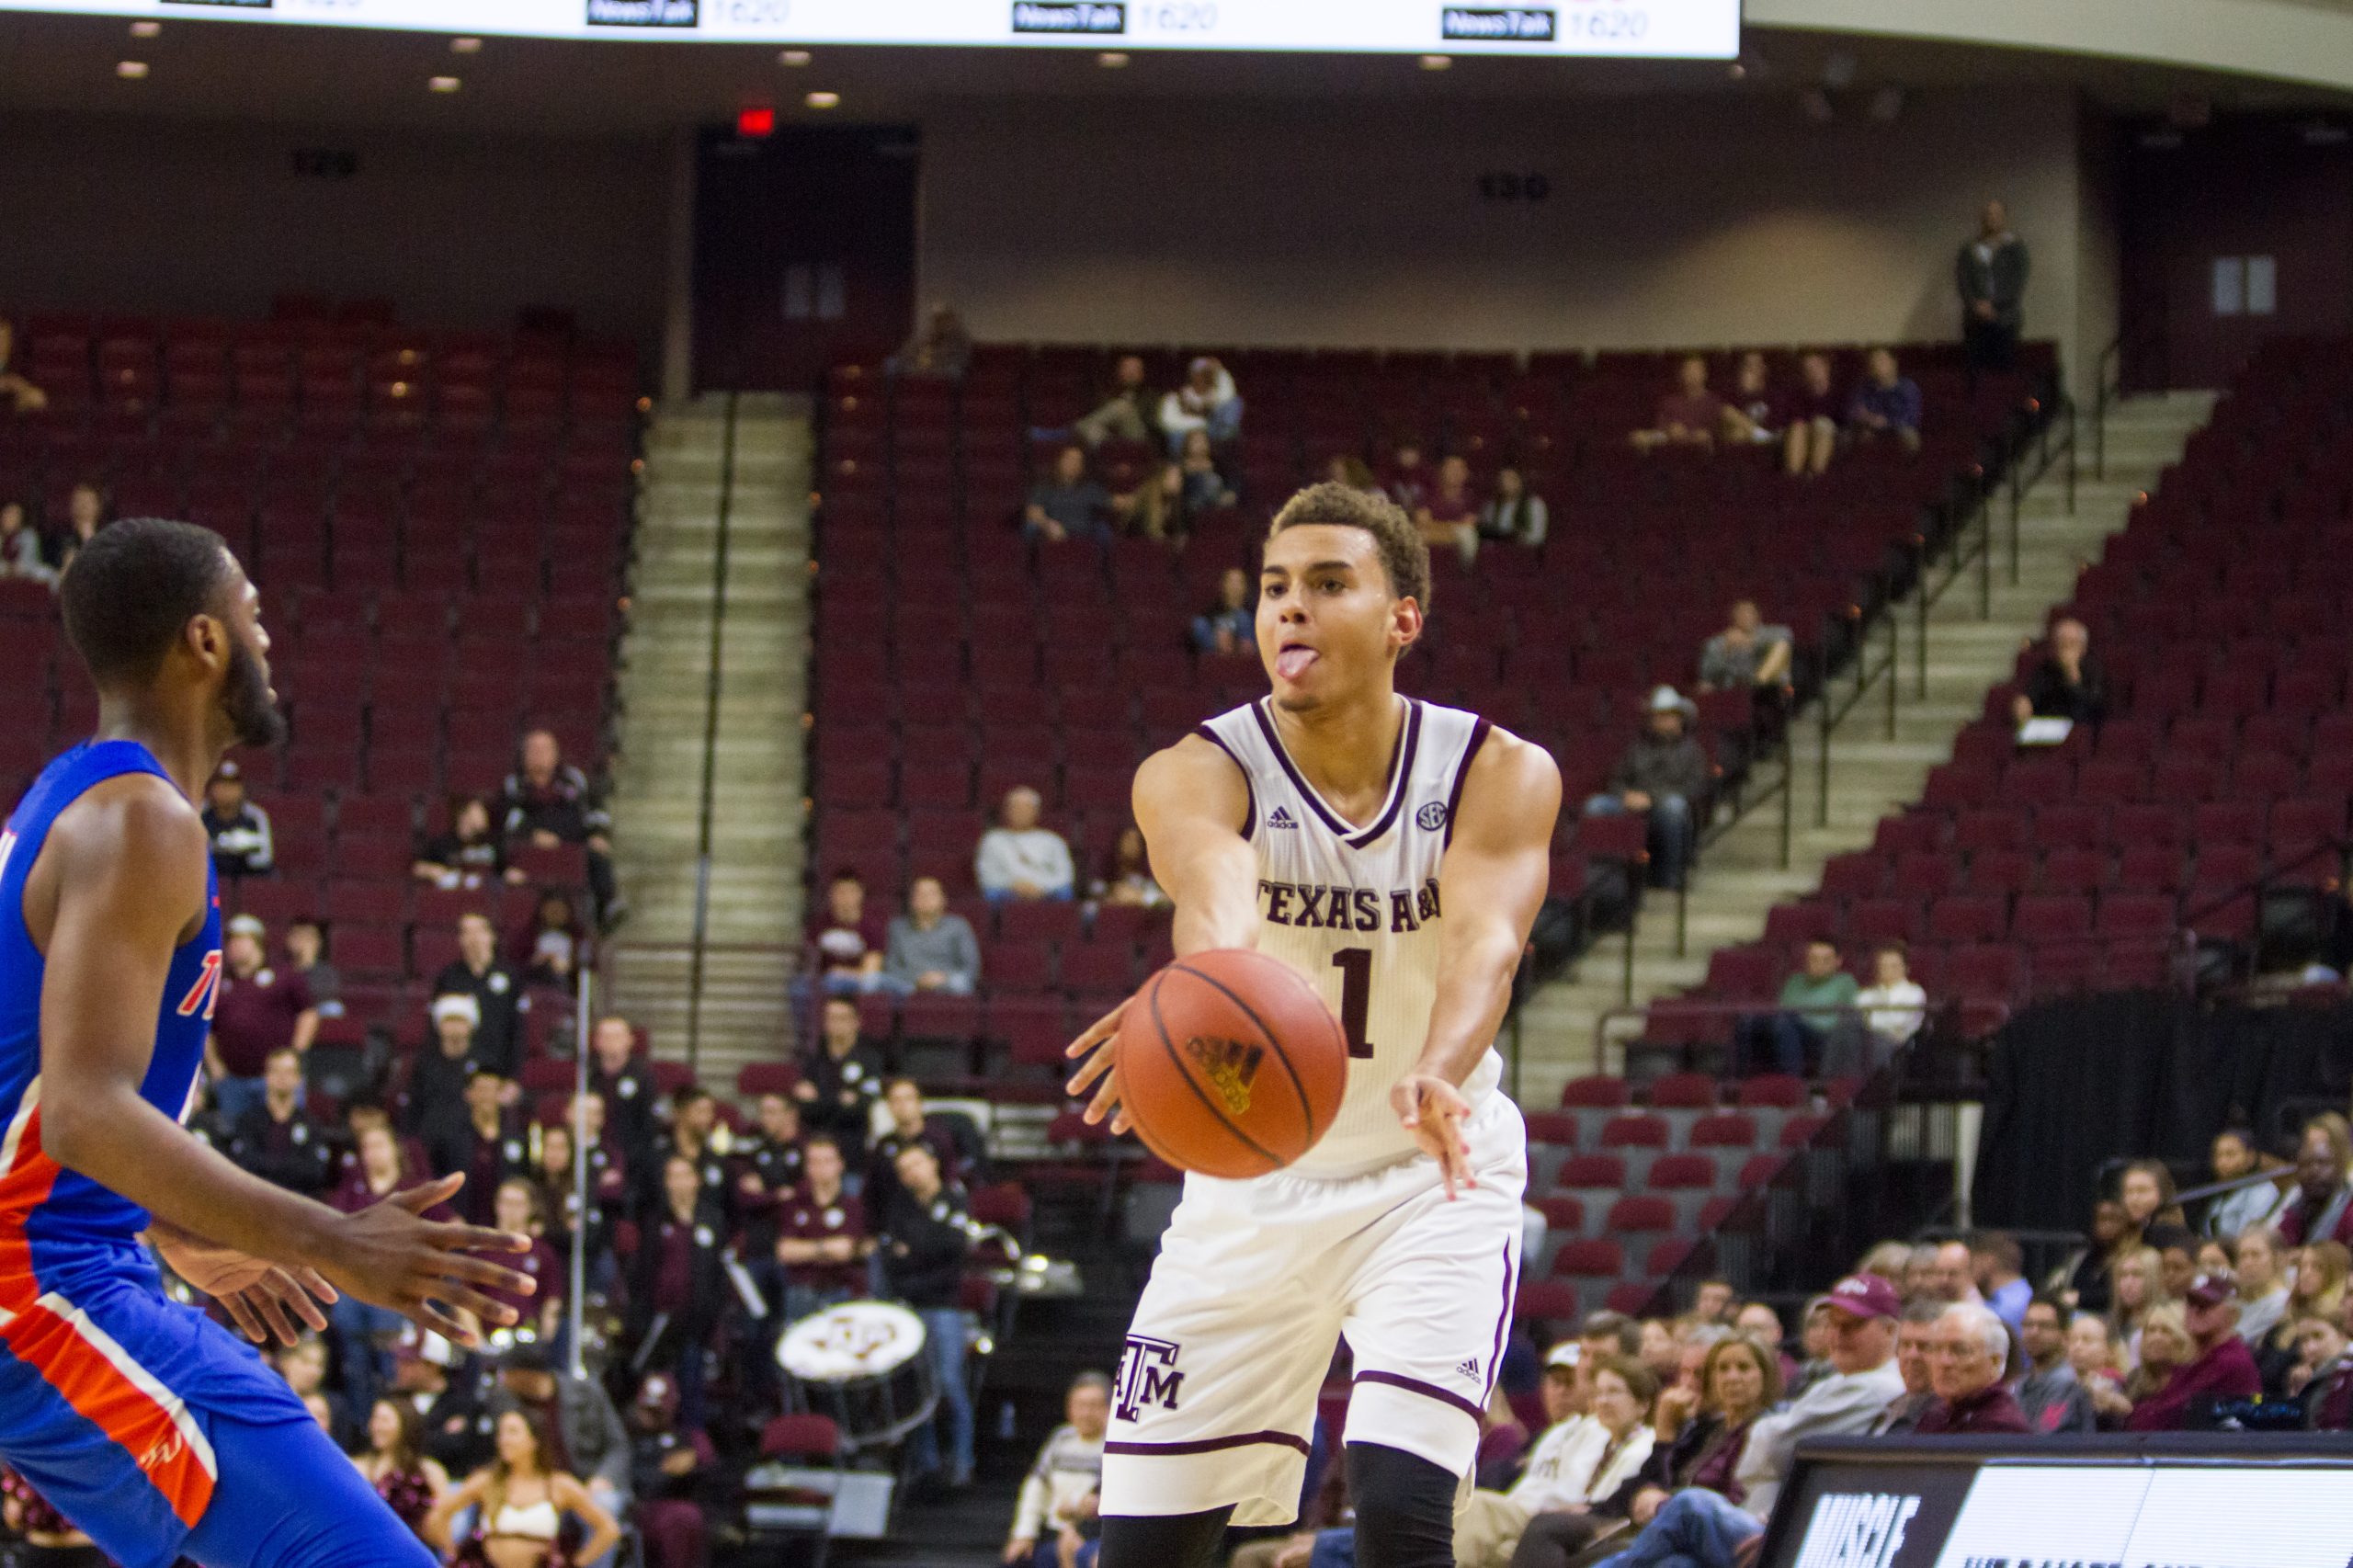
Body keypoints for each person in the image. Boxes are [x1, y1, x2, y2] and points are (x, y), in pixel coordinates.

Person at [0, 516, 537, 1568]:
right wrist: (334, 1240)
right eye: (251, 611)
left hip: (76, 1265)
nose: (268, 638)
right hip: (45, 1289)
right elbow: (81, 1109)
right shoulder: (143, 822)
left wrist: (169, 1216)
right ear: (205, 641)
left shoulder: (65, 801)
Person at [1063, 480, 1562, 1568]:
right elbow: (1214, 882)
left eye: (1329, 584)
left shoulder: (1499, 770)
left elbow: (1487, 941)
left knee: (1395, 1511)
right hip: (1249, 1184)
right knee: (1142, 1548)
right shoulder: (1195, 768)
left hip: (1430, 1173)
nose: (1289, 607)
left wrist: (1437, 1067)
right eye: (1275, 587)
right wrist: (1213, 991)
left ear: (1402, 619)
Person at [1586, 1276, 1904, 1568]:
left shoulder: (1877, 1385)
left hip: (1794, 1535)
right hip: (1768, 1522)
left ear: (1890, 1331)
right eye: (1834, 1325)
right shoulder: (1836, 1382)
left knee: (1690, 1504)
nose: (1837, 1335)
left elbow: (1773, 1446)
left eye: (1853, 1326)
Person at [1453, 1357, 1655, 1568]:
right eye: (1598, 1393)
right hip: (1560, 1515)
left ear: (1642, 1404)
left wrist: (1582, 1508)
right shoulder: (1602, 1440)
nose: (1603, 1401)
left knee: (1478, 1507)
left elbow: (1616, 1503)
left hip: (1591, 1521)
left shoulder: (1645, 1446)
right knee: (1491, 1538)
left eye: (1613, 1392)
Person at [881, 1143, 978, 1491]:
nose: (911, 1174)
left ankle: (963, 1461)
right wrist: (922, 1251)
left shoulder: (955, 1199)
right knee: (916, 1388)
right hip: (910, 1308)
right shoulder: (900, 1207)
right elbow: (892, 1261)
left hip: (944, 1306)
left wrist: (914, 1252)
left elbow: (955, 1252)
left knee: (949, 1383)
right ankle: (928, 1462)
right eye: (903, 1169)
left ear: (933, 1163)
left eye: (916, 1164)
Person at [424, 1406, 621, 1568]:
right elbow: (436, 1517)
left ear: (534, 1440)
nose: (504, 1440)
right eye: (501, 1433)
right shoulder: (486, 1481)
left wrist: (578, 1562)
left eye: (513, 1432)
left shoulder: (559, 1485)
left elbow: (609, 1529)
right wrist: (453, 1551)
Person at [1582, 687, 1709, 892]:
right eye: (1658, 716)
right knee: (1595, 805)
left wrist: (1652, 798)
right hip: (1633, 802)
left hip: (1664, 804)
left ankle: (1669, 877)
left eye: (1668, 716)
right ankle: (1604, 878)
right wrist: (1625, 795)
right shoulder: (1637, 748)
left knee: (1674, 807)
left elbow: (1694, 788)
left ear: (1679, 719)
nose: (1662, 721)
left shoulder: (1692, 752)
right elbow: (1616, 779)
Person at [495, 729, 620, 931]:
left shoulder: (574, 779)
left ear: (556, 754)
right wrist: (531, 834)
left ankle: (607, 908)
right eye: (533, 750)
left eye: (544, 749)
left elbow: (595, 810)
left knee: (597, 857)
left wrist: (598, 833)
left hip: (572, 846)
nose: (539, 755)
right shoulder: (514, 785)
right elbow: (506, 822)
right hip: (531, 852)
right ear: (524, 755)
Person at [206, 911, 319, 1123]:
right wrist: (214, 1065)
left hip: (278, 1079)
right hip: (233, 1080)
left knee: (283, 1130)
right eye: (231, 940)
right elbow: (206, 1029)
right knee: (235, 1137)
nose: (234, 945)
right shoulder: (220, 983)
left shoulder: (283, 975)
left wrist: (295, 1055)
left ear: (257, 941)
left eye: (241, 939)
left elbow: (308, 1014)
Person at [2127, 1272, 2262, 1429]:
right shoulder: (2193, 1359)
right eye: (2191, 1302)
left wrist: (2125, 1411)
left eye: (2207, 1304)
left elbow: (2169, 1416)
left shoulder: (2231, 1360)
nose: (2196, 1310)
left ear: (2232, 1315)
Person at [1006, 1372, 1111, 1568]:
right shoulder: (1061, 1438)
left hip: (1095, 1534)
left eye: (1094, 1406)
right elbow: (1037, 1487)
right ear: (1070, 1408)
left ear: (1108, 1408)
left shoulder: (1114, 1445)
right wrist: (1024, 1534)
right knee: (1017, 1559)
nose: (1086, 1413)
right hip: (1054, 1532)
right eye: (1080, 1405)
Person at [773, 1134, 869, 1324]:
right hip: (802, 1292)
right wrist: (825, 1249)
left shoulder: (853, 1205)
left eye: (827, 1161)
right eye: (814, 1162)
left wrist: (805, 1250)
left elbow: (847, 1250)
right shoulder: (794, 1204)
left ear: (840, 1164)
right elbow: (784, 1251)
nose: (821, 1168)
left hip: (842, 1291)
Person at [624, 1371, 715, 1568]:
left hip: (681, 1504)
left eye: (658, 1411)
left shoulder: (685, 1437)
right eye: (647, 1409)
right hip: (639, 1505)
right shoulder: (626, 1435)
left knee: (688, 1516)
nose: (650, 1416)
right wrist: (665, 1472)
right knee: (681, 1518)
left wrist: (697, 1459)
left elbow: (708, 1466)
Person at [1739, 939, 1859, 1079]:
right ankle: (1738, 1084)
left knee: (1783, 1022)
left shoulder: (1845, 982)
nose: (1818, 964)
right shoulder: (1794, 981)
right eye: (1813, 959)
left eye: (1825, 960)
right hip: (1789, 1027)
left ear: (1838, 961)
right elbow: (1782, 1008)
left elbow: (1848, 1017)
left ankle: (1791, 1084)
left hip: (1823, 1035)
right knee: (1747, 1021)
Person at [229, 1047, 337, 1199]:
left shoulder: (311, 1124)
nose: (282, 1077)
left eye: (288, 1072)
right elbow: (244, 1165)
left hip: (298, 1204)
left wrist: (268, 1167)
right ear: (266, 1076)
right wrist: (290, 1167)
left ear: (298, 1078)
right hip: (254, 1201)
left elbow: (315, 1172)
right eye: (276, 1071)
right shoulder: (248, 1121)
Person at [432, 912, 529, 1079]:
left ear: (491, 936)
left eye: (479, 931)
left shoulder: (510, 977)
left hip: (497, 1070)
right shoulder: (449, 977)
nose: (473, 938)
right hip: (457, 1071)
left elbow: (518, 1030)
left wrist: (513, 1078)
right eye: (466, 932)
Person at [1915, 1302, 2029, 1434]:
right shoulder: (1935, 1417)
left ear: (1995, 1362)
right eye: (1936, 1348)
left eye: (1960, 1351)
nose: (1944, 1362)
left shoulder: (2001, 1426)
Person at [795, 994, 891, 1149]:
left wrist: (821, 1099)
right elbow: (806, 1107)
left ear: (856, 1022)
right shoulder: (815, 1060)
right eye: (830, 1018)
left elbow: (864, 1106)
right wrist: (841, 1100)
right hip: (818, 1142)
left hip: (854, 1143)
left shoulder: (870, 1059)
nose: (835, 1023)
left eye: (841, 1018)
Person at [353, 1397, 451, 1540]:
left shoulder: (430, 1471)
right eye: (375, 1419)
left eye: (385, 1420)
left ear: (406, 1424)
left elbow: (441, 1525)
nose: (377, 1426)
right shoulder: (356, 1467)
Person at [1956, 199, 2029, 374]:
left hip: (2005, 320)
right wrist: (1976, 305)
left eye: (1996, 215)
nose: (1992, 218)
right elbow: (1963, 281)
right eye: (1988, 215)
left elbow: (2017, 283)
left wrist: (1993, 304)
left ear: (2004, 218)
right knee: (1976, 374)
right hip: (1976, 321)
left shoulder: (2016, 248)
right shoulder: (1969, 249)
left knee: (2003, 375)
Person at [884, 874, 983, 997]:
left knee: (961, 983)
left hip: (947, 981)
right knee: (879, 981)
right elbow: (891, 965)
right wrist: (918, 979)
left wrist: (943, 977)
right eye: (920, 894)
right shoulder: (897, 928)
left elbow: (971, 966)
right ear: (912, 900)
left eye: (931, 894)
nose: (925, 898)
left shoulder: (958, 926)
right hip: (909, 983)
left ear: (943, 899)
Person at [978, 786, 1077, 903]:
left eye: (1025, 808)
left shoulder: (1052, 840)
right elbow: (987, 875)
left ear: (1036, 811)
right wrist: (1014, 885)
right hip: (1008, 891)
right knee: (992, 894)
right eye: (1015, 808)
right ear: (1006, 811)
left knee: (1064, 892)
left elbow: (1065, 876)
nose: (1020, 813)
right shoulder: (992, 840)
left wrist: (1041, 888)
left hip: (1045, 891)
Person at [2008, 618, 2109, 733]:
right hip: (2047, 730)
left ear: (2082, 647)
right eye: (2062, 643)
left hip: (2080, 731)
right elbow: (2032, 696)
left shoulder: (2093, 670)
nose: (2066, 649)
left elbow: (2093, 709)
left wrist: (2072, 674)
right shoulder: (2045, 669)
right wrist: (2024, 704)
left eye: (2071, 644)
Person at [2016, 1294, 2097, 1434]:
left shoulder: (2069, 1384)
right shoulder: (2021, 1383)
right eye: (2028, 1325)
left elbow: (2044, 1438)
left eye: (2045, 1326)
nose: (2034, 1332)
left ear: (2065, 1337)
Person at [806, 868, 888, 994]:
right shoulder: (819, 925)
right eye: (840, 892)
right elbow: (810, 965)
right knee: (800, 986)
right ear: (831, 895)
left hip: (859, 984)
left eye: (851, 892)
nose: (846, 898)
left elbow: (871, 971)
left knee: (875, 982)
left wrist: (841, 973)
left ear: (860, 894)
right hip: (825, 983)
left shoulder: (872, 927)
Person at [2272, 1119, 2353, 1246]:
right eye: (2307, 1163)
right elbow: (2277, 1243)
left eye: (2322, 1162)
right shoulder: (2298, 1203)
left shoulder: (2348, 1206)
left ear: (2339, 1161)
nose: (2314, 1171)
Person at [413, 795, 523, 889]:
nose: (484, 816)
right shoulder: (443, 843)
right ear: (463, 815)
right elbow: (418, 867)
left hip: (484, 897)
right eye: (478, 811)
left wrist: (509, 875)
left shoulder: (491, 843)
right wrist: (432, 870)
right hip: (454, 897)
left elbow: (503, 870)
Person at [1871, 1303, 1943, 1434]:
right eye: (1905, 1344)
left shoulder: (1947, 1415)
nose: (1912, 1355)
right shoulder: (1890, 1406)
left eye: (1924, 1346)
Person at [1694, 602, 1791, 696]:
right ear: (1733, 618)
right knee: (1704, 688)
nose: (1746, 617)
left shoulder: (1771, 633)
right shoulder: (1719, 642)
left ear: (1757, 615)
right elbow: (1707, 674)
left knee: (1782, 647)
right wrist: (1726, 650)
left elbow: (1786, 636)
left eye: (1749, 612)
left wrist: (1752, 641)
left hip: (1770, 687)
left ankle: (1758, 685)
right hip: (1733, 688)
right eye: (1741, 613)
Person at [2204, 1127, 2284, 1241]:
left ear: (2250, 1157)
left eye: (2230, 1154)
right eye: (2218, 1156)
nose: (2222, 1162)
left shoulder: (2263, 1192)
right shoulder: (2217, 1200)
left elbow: (2251, 1238)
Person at [1630, 358, 1722, 452]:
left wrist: (1699, 435)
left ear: (1705, 374)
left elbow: (1720, 433)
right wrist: (1669, 431)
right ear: (1681, 374)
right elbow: (1660, 433)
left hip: (1704, 454)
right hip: (1670, 451)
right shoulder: (1669, 402)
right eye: (1688, 370)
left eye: (1696, 370)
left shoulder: (1714, 402)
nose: (1692, 374)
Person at [199, 759, 272, 879]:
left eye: (232, 785)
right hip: (208, 871)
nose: (227, 791)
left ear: (242, 789)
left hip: (245, 870)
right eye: (222, 785)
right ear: (212, 788)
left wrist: (240, 851)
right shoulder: (199, 813)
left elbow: (265, 857)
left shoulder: (256, 816)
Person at [1027, 446, 1113, 544]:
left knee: (1104, 530)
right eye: (1069, 459)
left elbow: (1112, 503)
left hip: (1084, 534)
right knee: (1031, 527)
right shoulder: (1045, 487)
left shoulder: (1091, 488)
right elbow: (1033, 511)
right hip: (1053, 535)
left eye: (1078, 461)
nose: (1073, 464)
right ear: (1059, 462)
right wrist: (1047, 525)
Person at [1157, 357, 1243, 453]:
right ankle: (1178, 464)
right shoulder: (1179, 396)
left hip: (1213, 433)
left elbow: (1229, 395)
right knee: (1175, 435)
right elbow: (1169, 422)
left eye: (1207, 374)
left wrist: (1220, 371)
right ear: (1192, 375)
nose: (1203, 378)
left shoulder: (1216, 395)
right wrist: (1200, 424)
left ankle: (1222, 456)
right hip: (1187, 432)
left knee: (1235, 402)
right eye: (1199, 374)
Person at [1074, 355, 1158, 449]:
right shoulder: (1107, 395)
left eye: (1135, 370)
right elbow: (1100, 418)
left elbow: (1153, 424)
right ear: (1119, 372)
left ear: (1142, 374)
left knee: (1122, 406)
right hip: (1111, 437)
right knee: (1092, 431)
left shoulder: (1150, 397)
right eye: (1127, 369)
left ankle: (1082, 427)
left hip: (1139, 438)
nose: (1131, 374)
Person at [1845, 349, 1921, 451]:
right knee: (1849, 435)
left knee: (1910, 436)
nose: (1877, 365)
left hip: (1899, 427)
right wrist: (1867, 418)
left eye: (1881, 360)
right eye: (1874, 361)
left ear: (1893, 363)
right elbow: (1852, 410)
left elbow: (1911, 417)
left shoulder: (1907, 387)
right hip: (1870, 427)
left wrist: (1887, 422)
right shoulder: (1865, 387)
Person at [2231, 1224, 2292, 1351]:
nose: (2247, 1263)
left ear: (2278, 1258)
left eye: (2256, 1255)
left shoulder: (2281, 1304)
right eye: (2242, 1256)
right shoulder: (2234, 1302)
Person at [1415, 455, 1480, 571]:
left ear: (1466, 474)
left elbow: (1468, 526)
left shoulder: (1471, 498)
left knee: (1468, 535)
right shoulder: (1428, 494)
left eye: (1459, 469)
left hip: (1445, 537)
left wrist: (1440, 529)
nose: (1454, 472)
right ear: (1442, 471)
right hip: (1435, 537)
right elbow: (1422, 522)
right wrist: (1451, 529)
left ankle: (1465, 574)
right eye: (1450, 468)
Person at [1781, 353, 1842, 478]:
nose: (1813, 372)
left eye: (1816, 366)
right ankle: (1793, 481)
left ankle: (1815, 479)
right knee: (1798, 428)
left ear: (1826, 367)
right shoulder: (1801, 394)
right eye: (1809, 369)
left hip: (1832, 431)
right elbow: (1797, 417)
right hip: (1807, 431)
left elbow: (1843, 418)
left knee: (1823, 425)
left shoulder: (1839, 391)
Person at [890, 302, 972, 381]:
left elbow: (958, 359)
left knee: (955, 371)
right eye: (937, 319)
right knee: (891, 364)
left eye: (943, 319)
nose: (939, 323)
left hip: (942, 370)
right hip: (917, 368)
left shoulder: (959, 338)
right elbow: (907, 352)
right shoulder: (926, 334)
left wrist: (934, 359)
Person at [1092, 824, 1168, 910]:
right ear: (1119, 842)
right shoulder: (1104, 873)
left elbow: (1167, 899)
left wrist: (1139, 898)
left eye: (1136, 841)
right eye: (1128, 839)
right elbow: (1092, 900)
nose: (1132, 845)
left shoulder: (1149, 877)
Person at [1971, 1231, 2031, 1328]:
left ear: (1988, 1261)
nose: (1970, 1270)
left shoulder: (2008, 1306)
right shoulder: (2024, 1296)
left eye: (1973, 1263)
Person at [1475, 467, 1547, 550]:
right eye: (1503, 479)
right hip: (1497, 552)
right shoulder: (1491, 506)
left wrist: (1518, 538)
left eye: (1511, 479)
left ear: (1520, 482)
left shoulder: (1534, 504)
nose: (1506, 483)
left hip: (1524, 552)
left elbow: (1537, 537)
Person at [1191, 566, 1256, 656]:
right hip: (1218, 648)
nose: (1235, 587)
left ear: (1245, 587)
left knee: (1243, 617)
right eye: (1231, 582)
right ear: (1223, 585)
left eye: (1239, 582)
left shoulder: (1253, 612)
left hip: (1246, 651)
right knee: (1199, 624)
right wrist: (1218, 638)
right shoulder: (1214, 610)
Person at [0, 498, 55, 586]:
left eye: (16, 514)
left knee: (47, 572)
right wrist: (7, 568)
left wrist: (15, 569)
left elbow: (30, 561)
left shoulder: (29, 535)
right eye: (8, 513)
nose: (11, 518)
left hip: (26, 573)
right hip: (3, 574)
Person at [0, 317, 49, 415]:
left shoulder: (17, 363)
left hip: (7, 413)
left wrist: (21, 388)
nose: (2, 344)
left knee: (36, 398)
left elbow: (38, 399)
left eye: (5, 338)